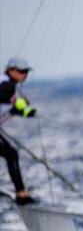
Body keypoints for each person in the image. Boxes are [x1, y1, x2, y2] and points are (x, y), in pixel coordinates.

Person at [0, 57, 37, 205]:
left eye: (26, 72)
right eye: (21, 71)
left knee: (11, 153)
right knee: (11, 154)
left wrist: (26, 112)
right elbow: (2, 97)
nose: (24, 75)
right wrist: (14, 102)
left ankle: (21, 193)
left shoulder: (7, 84)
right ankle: (21, 194)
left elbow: (7, 107)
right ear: (11, 70)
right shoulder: (7, 85)